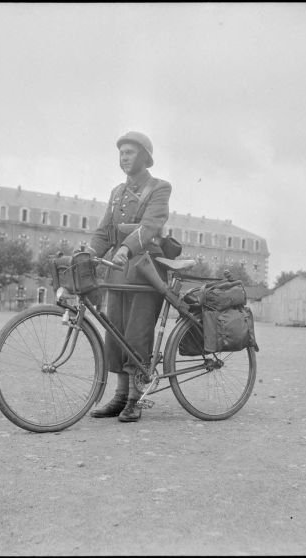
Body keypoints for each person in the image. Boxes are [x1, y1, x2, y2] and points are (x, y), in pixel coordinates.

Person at [88, 131, 172, 423]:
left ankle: (135, 399)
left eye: (130, 152)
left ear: (145, 157)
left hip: (146, 270)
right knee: (116, 332)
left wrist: (125, 247)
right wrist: (88, 251)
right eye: (121, 152)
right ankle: (119, 396)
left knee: (136, 334)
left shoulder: (159, 188)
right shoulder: (116, 193)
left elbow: (150, 226)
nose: (123, 158)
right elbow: (104, 231)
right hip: (120, 271)